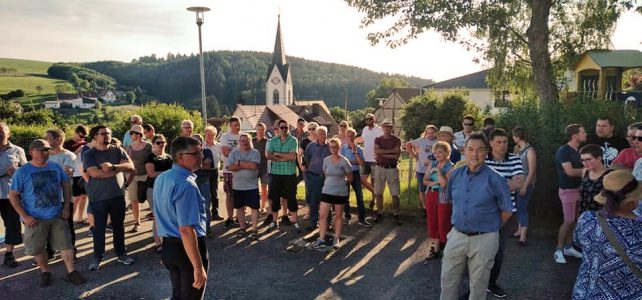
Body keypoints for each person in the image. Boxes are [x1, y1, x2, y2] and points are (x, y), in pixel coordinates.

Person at [440, 132, 513, 300]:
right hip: (457, 236)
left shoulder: (496, 179)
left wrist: (491, 229)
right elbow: (452, 201)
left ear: (486, 152)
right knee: (448, 281)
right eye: (470, 149)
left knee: (478, 286)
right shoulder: (456, 175)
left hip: (484, 239)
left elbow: (507, 210)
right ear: (464, 150)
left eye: (480, 150)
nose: (475, 154)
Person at [8, 139, 86, 287]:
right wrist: (24, 216)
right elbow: (13, 195)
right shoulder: (22, 171)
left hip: (57, 215)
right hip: (34, 218)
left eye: (47, 150)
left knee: (66, 245)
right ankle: (45, 271)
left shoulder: (56, 167)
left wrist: (66, 207)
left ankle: (71, 271)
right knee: (38, 248)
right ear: (31, 152)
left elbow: (66, 186)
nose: (45, 153)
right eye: (41, 150)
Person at [153, 136, 209, 300]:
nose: (202, 156)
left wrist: (165, 249)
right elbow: (186, 229)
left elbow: (161, 216)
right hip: (187, 250)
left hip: (170, 246)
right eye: (196, 153)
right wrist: (197, 267)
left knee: (177, 295)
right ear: (180, 156)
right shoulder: (186, 184)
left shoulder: (162, 178)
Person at [573, 170, 642, 299]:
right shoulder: (638, 229)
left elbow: (578, 242)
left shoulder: (587, 219)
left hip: (585, 294)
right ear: (633, 201)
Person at [83, 125, 136, 271]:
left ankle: (121, 254)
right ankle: (97, 256)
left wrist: (113, 167)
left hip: (117, 195)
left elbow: (131, 167)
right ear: (95, 136)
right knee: (98, 229)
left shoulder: (117, 150)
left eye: (109, 133)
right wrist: (117, 171)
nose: (107, 135)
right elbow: (94, 174)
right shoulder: (89, 154)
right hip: (98, 198)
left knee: (119, 227)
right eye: (103, 133)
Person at [484, 128, 524, 298]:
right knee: (480, 249)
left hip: (507, 213)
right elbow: (478, 183)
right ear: (491, 143)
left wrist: (493, 185)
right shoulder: (483, 159)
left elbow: (519, 183)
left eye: (505, 142)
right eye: (499, 142)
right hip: (484, 212)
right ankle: (476, 283)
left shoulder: (515, 159)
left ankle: (491, 283)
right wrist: (506, 183)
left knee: (499, 251)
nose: (502, 145)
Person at [554, 124, 586, 264]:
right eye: (582, 132)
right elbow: (570, 172)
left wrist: (583, 170)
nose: (585, 134)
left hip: (579, 189)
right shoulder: (563, 151)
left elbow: (575, 171)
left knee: (575, 219)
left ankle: (568, 247)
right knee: (568, 220)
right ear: (574, 136)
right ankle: (558, 250)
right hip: (567, 191)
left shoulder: (580, 150)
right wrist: (587, 170)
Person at [312, 138, 353, 249]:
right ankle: (321, 238)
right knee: (322, 215)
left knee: (338, 216)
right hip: (327, 191)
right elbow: (326, 173)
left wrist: (340, 183)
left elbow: (350, 178)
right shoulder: (326, 160)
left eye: (336, 147)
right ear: (329, 148)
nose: (333, 149)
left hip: (340, 192)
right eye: (331, 147)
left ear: (339, 147)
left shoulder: (344, 161)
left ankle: (336, 239)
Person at [45, 128, 78, 258]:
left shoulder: (68, 155)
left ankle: (71, 252)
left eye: (48, 138)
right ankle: (49, 252)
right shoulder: (45, 155)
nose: (45, 140)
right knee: (47, 226)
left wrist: (44, 175)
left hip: (64, 198)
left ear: (58, 139)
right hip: (46, 198)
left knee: (66, 226)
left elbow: (65, 173)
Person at [0, 121, 27, 268]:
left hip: (10, 195)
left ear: (8, 133)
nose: (0, 133)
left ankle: (9, 255)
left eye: (2, 130)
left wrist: (17, 172)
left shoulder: (18, 150)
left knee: (12, 225)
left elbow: (26, 171)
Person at [265, 119, 300, 232]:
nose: (284, 129)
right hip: (276, 174)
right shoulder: (273, 140)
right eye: (282, 127)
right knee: (274, 199)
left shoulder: (293, 140)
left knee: (291, 198)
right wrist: (284, 157)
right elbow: (269, 156)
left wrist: (278, 154)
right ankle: (275, 222)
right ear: (278, 129)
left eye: (286, 127)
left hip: (289, 174)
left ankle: (295, 221)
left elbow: (292, 157)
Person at [423, 141, 454, 261]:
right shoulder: (433, 163)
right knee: (433, 222)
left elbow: (444, 183)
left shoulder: (451, 167)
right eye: (435, 152)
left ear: (447, 153)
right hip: (431, 194)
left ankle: (447, 251)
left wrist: (439, 172)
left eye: (440, 152)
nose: (437, 155)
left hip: (444, 197)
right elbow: (425, 181)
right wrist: (435, 182)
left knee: (443, 223)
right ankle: (435, 250)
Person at [227, 133, 261, 239]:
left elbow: (253, 166)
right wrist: (245, 165)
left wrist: (239, 163)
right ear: (239, 142)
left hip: (252, 186)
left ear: (250, 141)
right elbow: (230, 167)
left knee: (254, 208)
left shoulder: (255, 152)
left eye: (246, 140)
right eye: (242, 140)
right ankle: (242, 228)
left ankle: (254, 230)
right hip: (238, 186)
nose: (244, 142)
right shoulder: (234, 152)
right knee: (239, 208)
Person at [144, 134, 173, 253]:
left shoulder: (169, 157)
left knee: (168, 215)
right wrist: (168, 172)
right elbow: (151, 174)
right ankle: (158, 243)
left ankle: (167, 240)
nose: (161, 144)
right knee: (157, 216)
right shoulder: (150, 158)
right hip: (154, 189)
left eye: (163, 142)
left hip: (168, 189)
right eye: (158, 142)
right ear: (153, 144)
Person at [339, 128, 371, 227]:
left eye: (352, 135)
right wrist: (354, 162)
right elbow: (342, 162)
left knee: (359, 196)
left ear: (355, 137)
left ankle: (361, 219)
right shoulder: (343, 148)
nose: (350, 137)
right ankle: (347, 217)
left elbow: (361, 163)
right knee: (345, 196)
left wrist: (355, 152)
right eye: (348, 135)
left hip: (356, 173)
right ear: (346, 137)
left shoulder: (359, 148)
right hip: (345, 174)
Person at [372, 119, 402, 225]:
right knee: (378, 193)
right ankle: (380, 213)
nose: (387, 128)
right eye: (385, 126)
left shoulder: (397, 139)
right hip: (380, 168)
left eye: (389, 126)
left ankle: (396, 214)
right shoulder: (378, 139)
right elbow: (376, 151)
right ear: (382, 127)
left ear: (392, 128)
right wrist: (391, 152)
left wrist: (382, 153)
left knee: (395, 193)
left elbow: (397, 154)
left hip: (392, 168)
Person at [302, 126, 331, 231]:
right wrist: (307, 169)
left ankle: (327, 224)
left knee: (326, 201)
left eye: (325, 133)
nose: (323, 135)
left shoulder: (330, 146)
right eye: (321, 133)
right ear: (317, 135)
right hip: (313, 177)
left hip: (327, 178)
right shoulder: (310, 146)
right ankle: (313, 223)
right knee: (313, 202)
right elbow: (306, 159)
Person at [125, 124, 152, 233]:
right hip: (132, 176)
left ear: (139, 134)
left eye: (132, 133)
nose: (130, 135)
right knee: (134, 200)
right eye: (130, 133)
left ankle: (158, 220)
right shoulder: (129, 147)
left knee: (150, 198)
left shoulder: (148, 146)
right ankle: (137, 222)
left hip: (146, 175)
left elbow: (153, 159)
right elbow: (125, 161)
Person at [512, 127, 537, 245]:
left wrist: (525, 186)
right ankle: (518, 230)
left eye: (513, 136)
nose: (512, 138)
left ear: (518, 136)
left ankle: (523, 236)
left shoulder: (530, 150)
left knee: (522, 209)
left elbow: (532, 171)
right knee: (518, 207)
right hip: (517, 183)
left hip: (526, 183)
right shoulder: (517, 149)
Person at [405, 125, 438, 214]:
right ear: (426, 133)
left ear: (436, 133)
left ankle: (432, 208)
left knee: (433, 189)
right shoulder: (421, 140)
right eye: (428, 133)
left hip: (434, 170)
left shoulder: (438, 142)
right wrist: (414, 155)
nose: (430, 135)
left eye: (432, 133)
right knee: (422, 190)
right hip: (421, 170)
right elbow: (408, 144)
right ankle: (425, 208)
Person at [63, 125, 89, 225]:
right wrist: (78, 150)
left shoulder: (85, 143)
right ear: (75, 133)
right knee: (76, 198)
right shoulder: (67, 143)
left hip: (83, 172)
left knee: (84, 196)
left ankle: (80, 218)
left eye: (84, 137)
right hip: (73, 174)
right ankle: (70, 220)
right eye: (81, 136)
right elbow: (67, 157)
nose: (82, 138)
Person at [355, 113, 383, 209]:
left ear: (374, 120)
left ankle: (373, 200)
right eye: (367, 119)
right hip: (365, 158)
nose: (368, 121)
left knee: (374, 181)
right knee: (363, 180)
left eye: (370, 119)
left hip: (375, 159)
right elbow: (363, 140)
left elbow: (382, 141)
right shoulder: (365, 129)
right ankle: (377, 194)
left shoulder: (379, 130)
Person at [219, 116, 242, 228]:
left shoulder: (243, 136)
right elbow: (225, 152)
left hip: (242, 170)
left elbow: (247, 152)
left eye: (238, 124)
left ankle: (239, 217)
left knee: (241, 194)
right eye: (235, 125)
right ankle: (230, 218)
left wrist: (232, 152)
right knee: (230, 194)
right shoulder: (225, 136)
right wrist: (239, 153)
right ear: (230, 126)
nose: (237, 127)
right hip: (228, 170)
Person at [192, 134, 215, 236]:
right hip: (191, 183)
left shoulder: (207, 151)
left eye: (198, 142)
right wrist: (201, 164)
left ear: (202, 142)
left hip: (204, 181)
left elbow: (209, 166)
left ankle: (207, 229)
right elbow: (191, 167)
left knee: (205, 207)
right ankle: (195, 230)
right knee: (192, 207)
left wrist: (197, 165)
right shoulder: (189, 153)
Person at [579, 144, 610, 214]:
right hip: (584, 214)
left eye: (588, 159)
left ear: (599, 158)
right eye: (583, 160)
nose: (585, 163)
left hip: (601, 216)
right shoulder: (585, 172)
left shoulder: (609, 175)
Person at [299, 121, 318, 220]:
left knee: (320, 190)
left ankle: (319, 211)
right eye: (309, 129)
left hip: (319, 171)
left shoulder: (320, 140)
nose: (311, 131)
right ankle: (309, 211)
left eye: (313, 128)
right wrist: (301, 166)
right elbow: (299, 154)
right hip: (307, 170)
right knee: (309, 191)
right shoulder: (305, 141)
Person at [204, 125, 223, 221]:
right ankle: (205, 213)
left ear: (215, 136)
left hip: (215, 171)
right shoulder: (201, 145)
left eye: (211, 135)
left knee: (214, 193)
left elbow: (223, 158)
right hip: (204, 172)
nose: (209, 136)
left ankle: (215, 213)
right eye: (207, 134)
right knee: (205, 193)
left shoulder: (219, 146)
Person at [252, 123, 270, 214]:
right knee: (252, 189)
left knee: (264, 189)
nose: (260, 131)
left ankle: (262, 207)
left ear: (265, 130)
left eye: (262, 129)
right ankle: (253, 206)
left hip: (264, 168)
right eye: (259, 129)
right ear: (256, 130)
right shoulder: (251, 141)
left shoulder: (268, 141)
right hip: (253, 168)